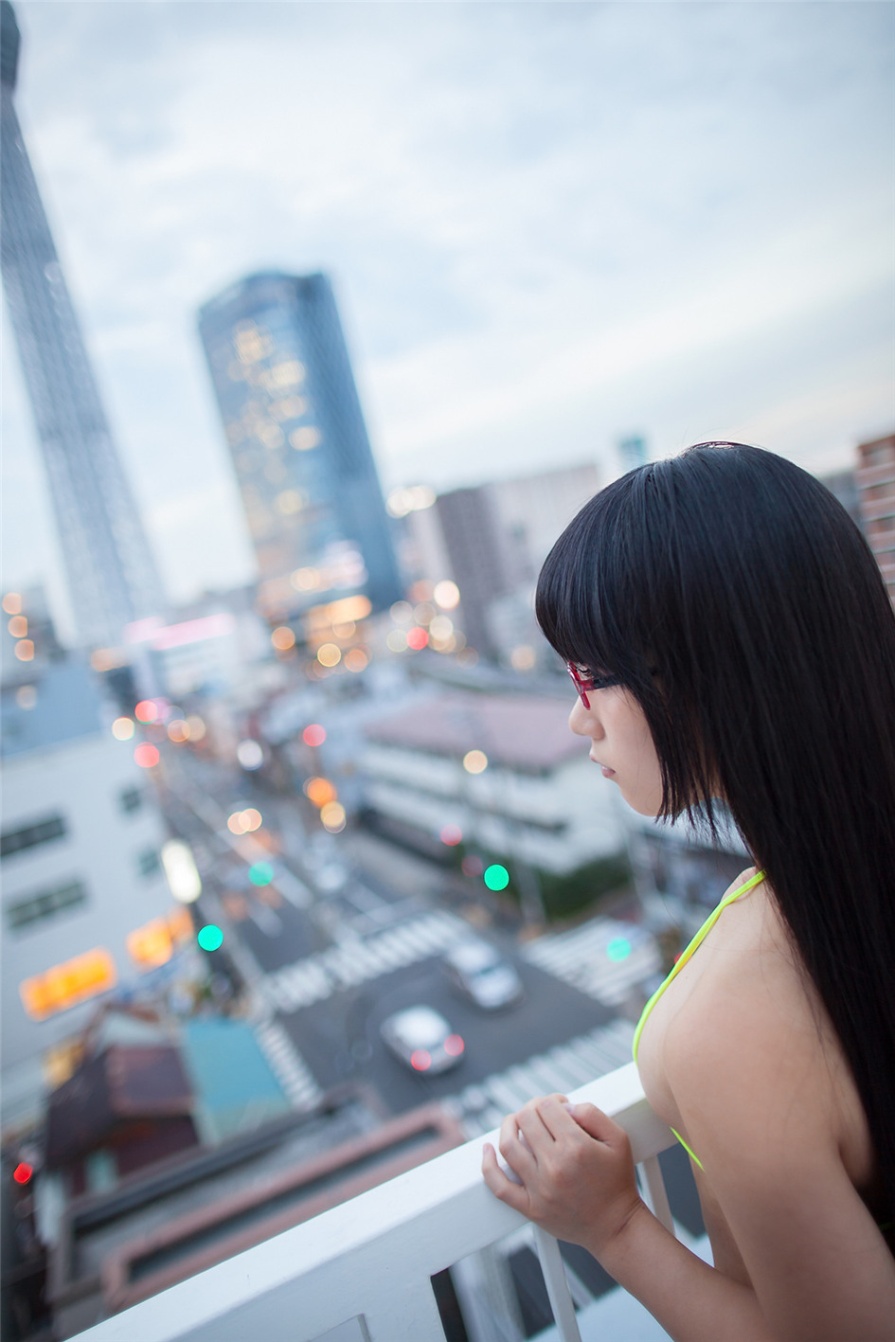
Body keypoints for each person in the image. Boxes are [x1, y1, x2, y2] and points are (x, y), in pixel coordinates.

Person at [481, 442, 895, 1341]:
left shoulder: (734, 1021)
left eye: (588, 673)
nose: (575, 713)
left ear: (698, 676)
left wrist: (615, 1225)